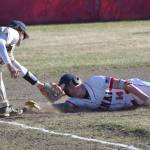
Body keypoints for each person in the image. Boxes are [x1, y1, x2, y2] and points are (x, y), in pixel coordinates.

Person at [0, 20, 43, 117]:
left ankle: (3, 107)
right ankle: (3, 107)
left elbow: (17, 66)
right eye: (24, 37)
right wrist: (9, 66)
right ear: (21, 32)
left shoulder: (8, 45)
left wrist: (38, 84)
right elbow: (0, 43)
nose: (22, 39)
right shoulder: (14, 33)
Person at [49, 73, 150, 112]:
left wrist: (145, 98)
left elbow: (126, 85)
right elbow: (63, 107)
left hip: (136, 89)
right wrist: (53, 99)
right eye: (67, 90)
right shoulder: (76, 100)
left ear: (76, 81)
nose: (70, 90)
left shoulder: (95, 81)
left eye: (70, 86)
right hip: (133, 103)